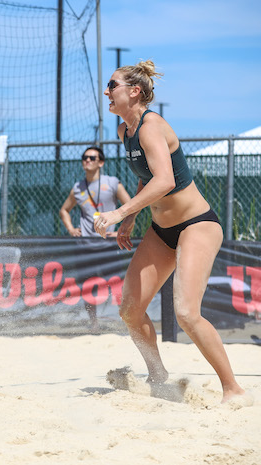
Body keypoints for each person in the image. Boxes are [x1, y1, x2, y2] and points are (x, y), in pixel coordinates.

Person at [95, 60, 245, 402]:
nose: (106, 91)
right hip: (162, 230)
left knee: (187, 313)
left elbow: (164, 180)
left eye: (112, 85)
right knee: (130, 310)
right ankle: (158, 376)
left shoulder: (151, 126)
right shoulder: (124, 131)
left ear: (134, 91)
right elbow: (146, 177)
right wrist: (132, 218)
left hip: (197, 225)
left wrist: (120, 212)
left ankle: (233, 389)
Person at [59, 146, 131, 331]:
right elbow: (64, 210)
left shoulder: (112, 183)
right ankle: (94, 323)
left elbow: (130, 206)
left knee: (117, 284)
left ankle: (127, 320)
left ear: (101, 162)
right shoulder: (78, 187)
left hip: (108, 244)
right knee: (87, 286)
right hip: (85, 245)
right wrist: (71, 229)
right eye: (85, 157)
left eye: (92, 158)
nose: (87, 160)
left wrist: (122, 230)